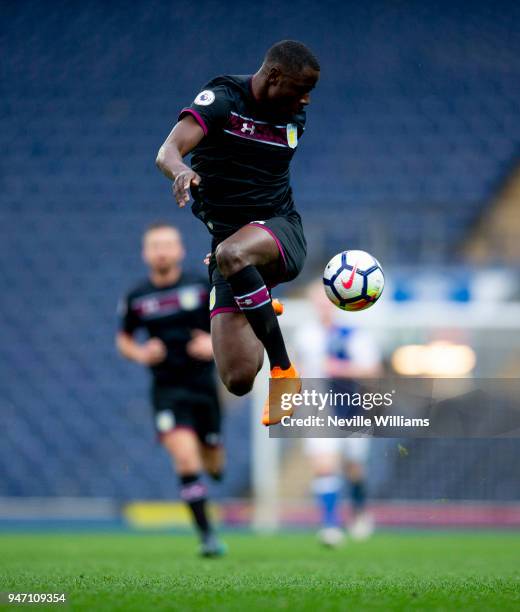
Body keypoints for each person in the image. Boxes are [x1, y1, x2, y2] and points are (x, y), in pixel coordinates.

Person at [155, 40, 320, 425]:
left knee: (232, 254)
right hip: (231, 247)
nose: (307, 101)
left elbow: (257, 183)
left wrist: (238, 245)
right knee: (238, 377)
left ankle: (284, 371)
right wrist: (181, 171)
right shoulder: (224, 100)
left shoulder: (293, 116)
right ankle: (256, 298)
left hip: (279, 234)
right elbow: (167, 152)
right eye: (300, 90)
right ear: (275, 76)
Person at [116, 222, 225, 556]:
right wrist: (141, 352)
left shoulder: (200, 285)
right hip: (167, 390)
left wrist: (213, 343)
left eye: (168, 244)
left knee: (213, 464)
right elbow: (124, 338)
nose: (162, 251)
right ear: (145, 253)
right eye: (155, 245)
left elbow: (229, 322)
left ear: (179, 250)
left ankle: (213, 460)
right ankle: (207, 536)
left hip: (204, 387)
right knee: (185, 458)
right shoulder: (137, 297)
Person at [295, 282, 382, 547]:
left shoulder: (354, 334)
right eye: (317, 302)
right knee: (324, 465)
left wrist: (336, 367)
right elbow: (296, 368)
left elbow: (372, 371)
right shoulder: (306, 335)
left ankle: (358, 511)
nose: (322, 306)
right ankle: (330, 524)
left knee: (354, 467)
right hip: (319, 408)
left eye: (326, 301)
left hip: (352, 408)